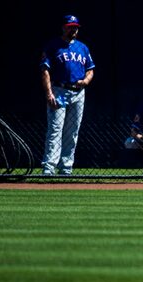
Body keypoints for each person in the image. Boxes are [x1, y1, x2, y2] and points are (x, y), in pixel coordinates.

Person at [40, 15, 95, 175]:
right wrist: (49, 92)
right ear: (63, 27)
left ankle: (66, 168)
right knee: (55, 129)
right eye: (70, 26)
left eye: (75, 27)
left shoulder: (82, 47)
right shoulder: (53, 46)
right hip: (60, 90)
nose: (73, 29)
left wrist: (86, 81)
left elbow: (90, 70)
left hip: (78, 93)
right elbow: (44, 70)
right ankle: (49, 167)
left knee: (72, 131)